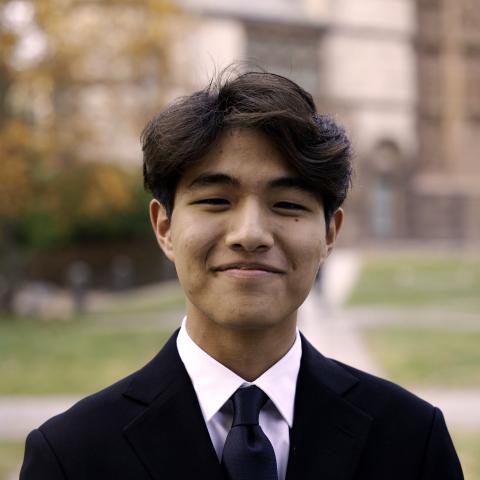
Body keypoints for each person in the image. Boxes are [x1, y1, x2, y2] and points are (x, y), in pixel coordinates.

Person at [20, 70, 463, 480]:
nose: (250, 234)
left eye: (287, 204)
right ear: (165, 227)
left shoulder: (411, 441)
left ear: (330, 234)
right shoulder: (70, 455)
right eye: (216, 200)